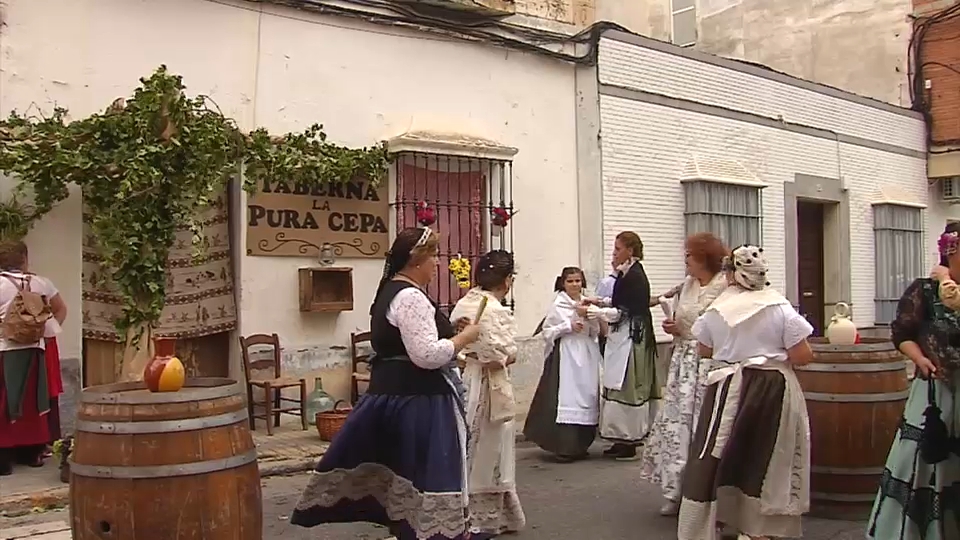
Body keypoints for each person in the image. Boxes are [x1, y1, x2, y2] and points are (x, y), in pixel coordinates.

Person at [290, 227, 482, 540]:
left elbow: (411, 341)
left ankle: (411, 528)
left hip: (396, 394)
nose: (437, 262)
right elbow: (426, 355)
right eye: (433, 255)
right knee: (424, 468)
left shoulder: (392, 291)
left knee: (403, 467)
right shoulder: (410, 297)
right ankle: (433, 532)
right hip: (418, 400)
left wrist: (449, 330)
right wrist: (464, 338)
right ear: (417, 260)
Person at [677, 245, 812, 540]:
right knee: (766, 455)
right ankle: (762, 528)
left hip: (727, 388)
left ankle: (723, 519)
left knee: (725, 453)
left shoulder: (717, 310)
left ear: (730, 275)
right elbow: (802, 355)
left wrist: (736, 348)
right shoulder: (779, 308)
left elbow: (704, 349)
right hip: (770, 388)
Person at [866, 222, 960, 540]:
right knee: (927, 459)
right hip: (936, 391)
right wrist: (919, 358)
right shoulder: (925, 289)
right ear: (951, 252)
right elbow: (902, 333)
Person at [640, 232, 728, 516]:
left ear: (703, 258)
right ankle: (674, 490)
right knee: (677, 425)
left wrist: (687, 331)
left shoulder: (724, 287)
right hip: (684, 362)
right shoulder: (687, 285)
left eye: (689, 255)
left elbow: (724, 326)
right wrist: (672, 326)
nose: (685, 260)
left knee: (705, 424)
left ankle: (707, 493)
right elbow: (663, 302)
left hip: (710, 362)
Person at [449, 250, 525, 539]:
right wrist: (507, 357)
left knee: (468, 443)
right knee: (491, 448)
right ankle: (485, 517)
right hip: (488, 382)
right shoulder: (494, 309)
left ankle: (465, 508)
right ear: (507, 280)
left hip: (465, 377)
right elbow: (503, 353)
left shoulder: (464, 302)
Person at [581, 231, 662, 461]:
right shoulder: (625, 275)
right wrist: (599, 301)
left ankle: (630, 440)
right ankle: (618, 438)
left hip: (632, 339)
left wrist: (596, 312)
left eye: (618, 249)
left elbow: (624, 311)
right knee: (615, 384)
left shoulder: (635, 276)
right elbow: (619, 303)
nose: (614, 253)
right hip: (622, 336)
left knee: (627, 385)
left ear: (630, 251)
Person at [524, 267, 605, 463]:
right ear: (563, 283)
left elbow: (596, 331)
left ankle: (581, 444)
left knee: (587, 395)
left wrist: (590, 319)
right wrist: (568, 326)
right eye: (570, 281)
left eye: (578, 281)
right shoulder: (558, 305)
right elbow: (547, 332)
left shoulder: (587, 302)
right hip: (567, 355)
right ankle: (564, 445)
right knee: (567, 396)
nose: (575, 285)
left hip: (586, 354)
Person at [0, 240, 67, 476]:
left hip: (4, 350)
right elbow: (61, 308)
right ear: (24, 259)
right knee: (33, 402)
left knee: (4, 402)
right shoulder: (40, 283)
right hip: (35, 350)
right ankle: (32, 452)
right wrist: (48, 332)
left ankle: (3, 457)